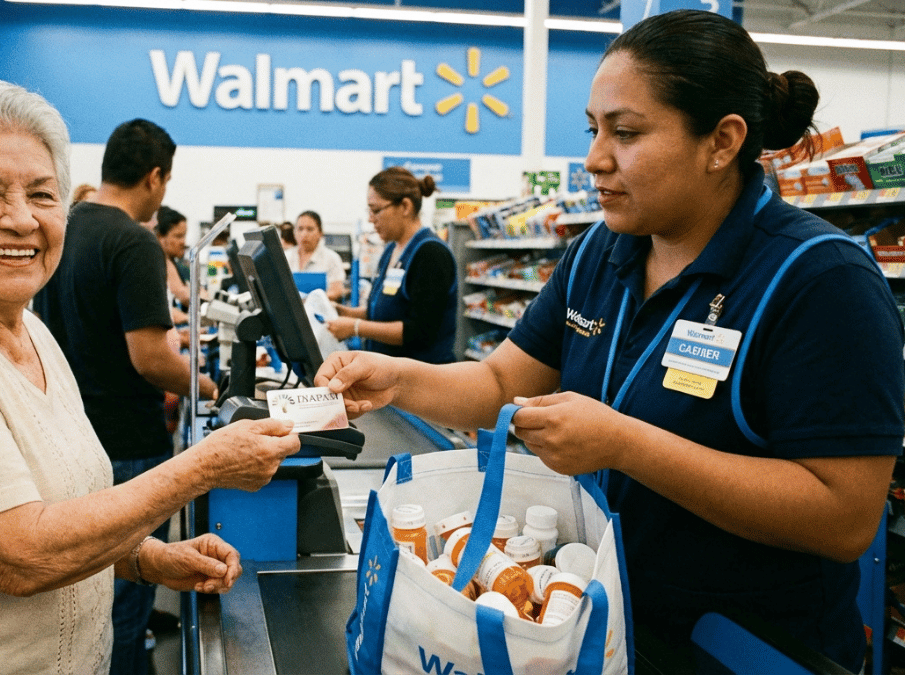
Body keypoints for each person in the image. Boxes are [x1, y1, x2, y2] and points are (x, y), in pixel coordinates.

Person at [315, 10, 903, 672]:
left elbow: (844, 513)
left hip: (740, 648)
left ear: (722, 141)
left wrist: (625, 443)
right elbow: (505, 381)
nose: (595, 159)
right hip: (603, 630)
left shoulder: (821, 281)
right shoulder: (602, 250)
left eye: (625, 133)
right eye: (594, 130)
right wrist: (399, 378)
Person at [0, 80, 299, 675]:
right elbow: (19, 553)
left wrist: (146, 558)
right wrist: (205, 467)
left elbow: (60, 505)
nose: (20, 220)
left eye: (42, 195)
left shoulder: (29, 331)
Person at [33, 118, 221, 675]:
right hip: (129, 441)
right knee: (127, 605)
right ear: (155, 176)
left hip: (70, 434)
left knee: (90, 591)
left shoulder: (64, 226)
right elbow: (150, 358)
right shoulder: (135, 240)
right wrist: (209, 385)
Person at [326, 167, 457, 364]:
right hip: (389, 377)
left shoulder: (431, 254)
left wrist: (356, 327)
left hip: (423, 381)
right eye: (369, 210)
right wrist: (345, 313)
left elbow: (419, 331)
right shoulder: (391, 250)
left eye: (376, 210)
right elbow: (386, 311)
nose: (371, 218)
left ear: (405, 206)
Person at [285, 210, 345, 301]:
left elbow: (336, 290)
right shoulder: (285, 257)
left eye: (310, 229)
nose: (304, 234)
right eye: (300, 229)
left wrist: (308, 301)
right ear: (294, 232)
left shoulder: (331, 258)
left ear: (320, 233)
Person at [154, 205, 193, 314]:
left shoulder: (173, 262)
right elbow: (184, 296)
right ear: (160, 237)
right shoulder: (162, 262)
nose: (183, 242)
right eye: (178, 236)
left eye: (184, 236)